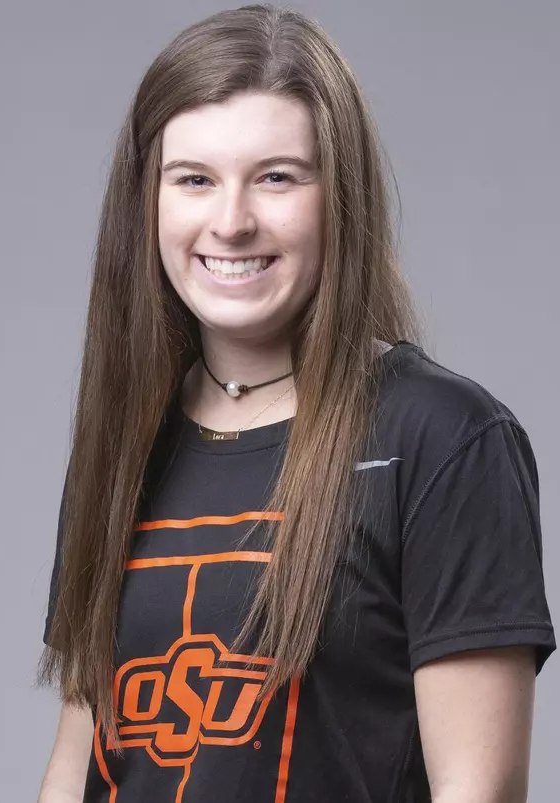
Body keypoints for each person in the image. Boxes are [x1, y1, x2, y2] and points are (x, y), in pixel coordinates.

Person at [37, 4, 556, 802]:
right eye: (194, 180)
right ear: (147, 203)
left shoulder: (441, 438)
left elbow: (477, 791)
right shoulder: (124, 447)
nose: (232, 220)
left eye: (277, 176)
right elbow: (77, 767)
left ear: (337, 196)